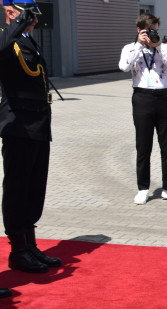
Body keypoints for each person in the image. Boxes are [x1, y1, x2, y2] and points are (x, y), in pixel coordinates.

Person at [0, 0, 61, 291]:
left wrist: (21, 27)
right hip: (17, 124)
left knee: (35, 186)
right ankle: (18, 250)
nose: (34, 20)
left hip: (37, 122)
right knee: (17, 187)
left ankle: (30, 244)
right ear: (11, 11)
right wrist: (14, 24)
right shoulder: (6, 35)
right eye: (29, 14)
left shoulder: (27, 39)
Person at [119, 13, 167, 205]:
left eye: (155, 31)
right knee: (143, 146)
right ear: (139, 31)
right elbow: (123, 67)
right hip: (142, 97)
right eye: (148, 31)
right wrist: (140, 45)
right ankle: (143, 188)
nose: (152, 35)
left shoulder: (164, 48)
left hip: (164, 97)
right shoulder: (130, 48)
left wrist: (158, 47)